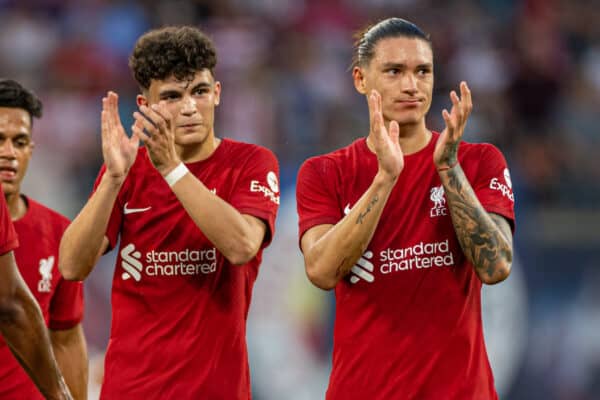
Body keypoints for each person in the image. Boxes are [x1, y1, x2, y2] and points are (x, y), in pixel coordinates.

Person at [296, 18, 515, 399]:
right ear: (361, 80)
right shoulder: (326, 172)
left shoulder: (479, 161)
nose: (411, 85)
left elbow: (496, 266)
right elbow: (321, 271)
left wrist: (447, 166)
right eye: (394, 71)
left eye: (422, 71)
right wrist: (385, 178)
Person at [59, 26, 280, 399]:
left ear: (218, 93)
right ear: (145, 106)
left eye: (200, 91)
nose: (190, 107)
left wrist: (172, 169)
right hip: (132, 390)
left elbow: (242, 245)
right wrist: (113, 179)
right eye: (173, 97)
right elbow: (71, 266)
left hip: (216, 390)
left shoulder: (250, 163)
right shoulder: (128, 170)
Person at [0, 81, 77, 399]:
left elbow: (67, 337)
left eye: (19, 142)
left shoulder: (59, 232)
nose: (8, 153)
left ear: (31, 149)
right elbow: (12, 305)